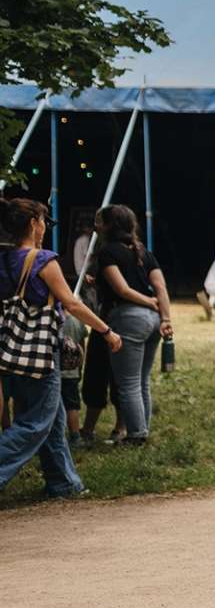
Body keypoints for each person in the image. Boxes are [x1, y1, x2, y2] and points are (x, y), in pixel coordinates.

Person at [0, 199, 118, 498]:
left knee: (50, 419)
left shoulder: (4, 258)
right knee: (36, 422)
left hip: (11, 350)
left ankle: (63, 483)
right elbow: (72, 303)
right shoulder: (43, 259)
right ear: (32, 224)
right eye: (42, 221)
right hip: (39, 351)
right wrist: (106, 331)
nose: (43, 227)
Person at [94, 205, 172, 446]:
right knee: (142, 380)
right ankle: (142, 430)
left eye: (100, 222)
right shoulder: (144, 252)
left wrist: (146, 301)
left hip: (128, 318)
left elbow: (121, 289)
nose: (96, 226)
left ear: (109, 226)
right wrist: (166, 318)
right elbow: (161, 287)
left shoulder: (108, 252)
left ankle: (137, 435)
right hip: (154, 320)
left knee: (127, 382)